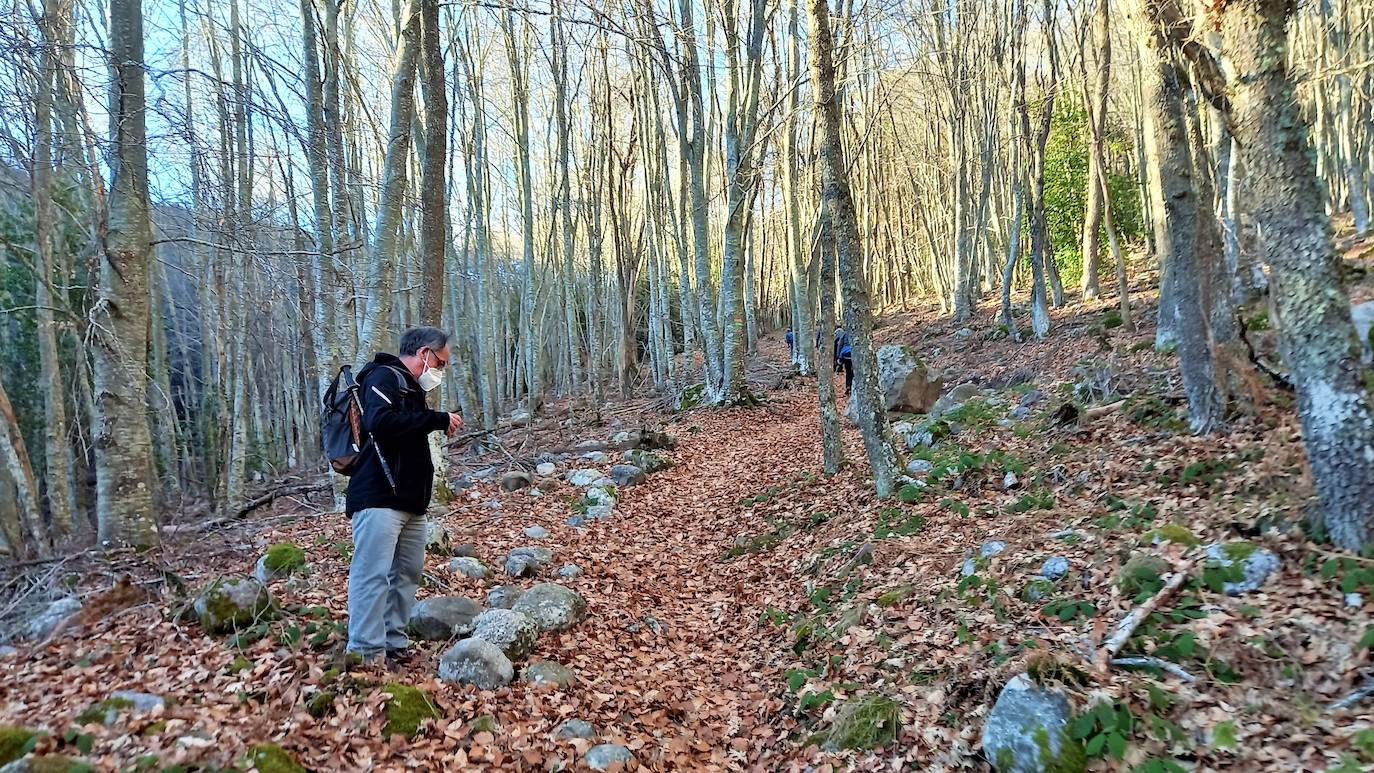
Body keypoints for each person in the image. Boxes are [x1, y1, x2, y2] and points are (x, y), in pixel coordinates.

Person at [346, 326, 462, 667]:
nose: (440, 370)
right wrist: (437, 419)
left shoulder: (411, 388)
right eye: (440, 362)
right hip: (379, 497)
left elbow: (406, 429)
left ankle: (393, 642)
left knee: (407, 573)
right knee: (372, 574)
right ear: (424, 353)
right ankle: (366, 651)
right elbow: (380, 422)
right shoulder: (382, 376)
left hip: (410, 502)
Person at [834, 326, 854, 396]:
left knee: (848, 372)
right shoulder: (856, 333)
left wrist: (838, 357)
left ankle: (848, 386)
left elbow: (840, 345)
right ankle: (852, 387)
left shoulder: (845, 334)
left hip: (846, 355)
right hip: (854, 355)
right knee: (853, 372)